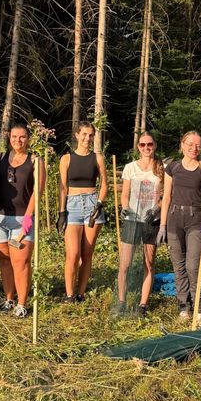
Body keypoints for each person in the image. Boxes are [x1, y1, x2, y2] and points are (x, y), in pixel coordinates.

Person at [0, 123, 43, 318]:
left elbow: (38, 191)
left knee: (21, 261)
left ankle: (22, 304)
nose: (18, 140)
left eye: (22, 137)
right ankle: (9, 299)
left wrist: (29, 216)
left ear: (29, 139)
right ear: (9, 138)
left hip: (21, 220)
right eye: (15, 136)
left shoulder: (35, 161)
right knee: (5, 260)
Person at [157, 130, 201, 325]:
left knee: (193, 266)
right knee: (179, 266)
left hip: (195, 219)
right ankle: (184, 307)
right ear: (182, 145)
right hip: (174, 219)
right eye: (190, 144)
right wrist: (162, 225)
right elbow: (166, 197)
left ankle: (200, 308)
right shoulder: (172, 167)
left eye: (197, 145)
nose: (194, 148)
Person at [57, 121, 108, 303]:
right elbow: (62, 187)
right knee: (73, 254)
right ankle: (69, 294)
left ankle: (81, 293)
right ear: (77, 135)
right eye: (84, 134)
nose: (88, 138)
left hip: (93, 205)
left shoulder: (97, 158)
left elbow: (105, 184)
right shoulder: (66, 159)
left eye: (91, 135)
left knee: (87, 253)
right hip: (72, 206)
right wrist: (61, 212)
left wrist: (99, 204)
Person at [116, 131, 163, 317]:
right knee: (125, 264)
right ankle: (121, 301)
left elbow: (166, 196)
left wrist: (156, 209)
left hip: (151, 221)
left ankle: (143, 304)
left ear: (155, 145)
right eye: (142, 145)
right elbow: (124, 195)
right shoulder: (130, 168)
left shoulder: (161, 168)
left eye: (149, 144)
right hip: (132, 220)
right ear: (138, 147)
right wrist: (124, 208)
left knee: (148, 263)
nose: (146, 148)